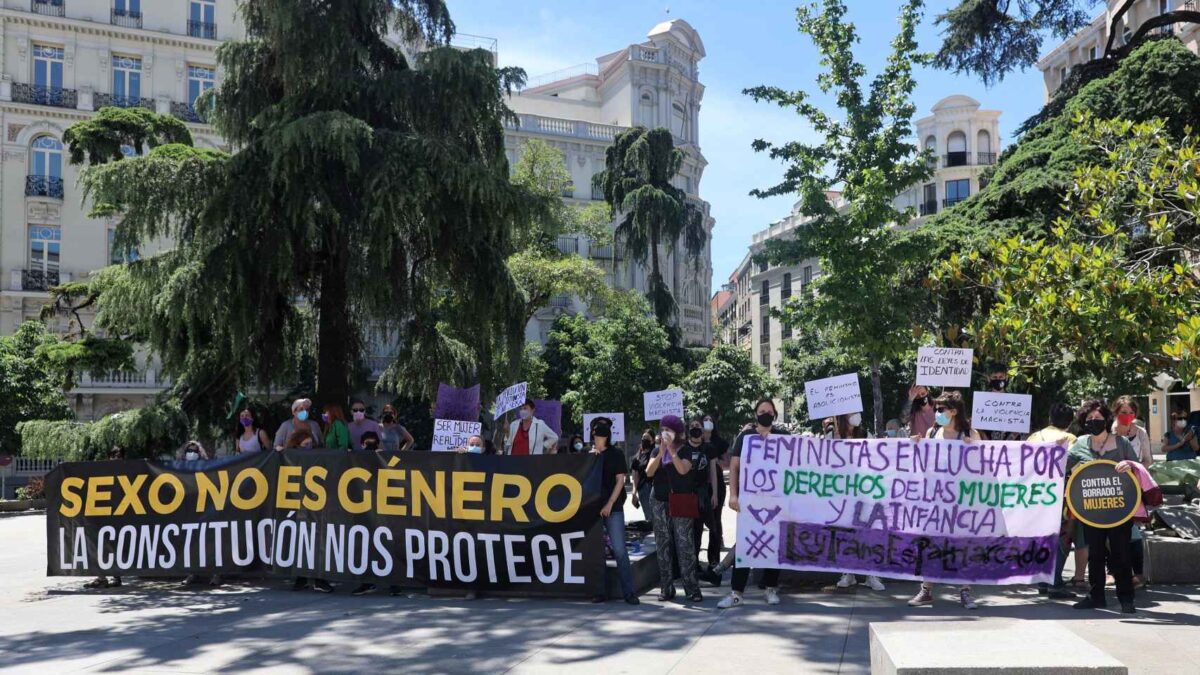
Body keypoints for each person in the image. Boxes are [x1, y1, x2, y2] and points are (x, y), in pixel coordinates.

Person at [907, 391, 983, 610]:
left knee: (962, 547)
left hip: (962, 501)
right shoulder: (932, 433)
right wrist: (915, 445)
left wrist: (974, 450)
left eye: (941, 410)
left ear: (954, 412)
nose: (937, 413)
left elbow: (985, 466)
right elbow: (922, 463)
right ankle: (926, 590)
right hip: (936, 500)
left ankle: (965, 591)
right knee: (931, 544)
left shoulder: (970, 433)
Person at [1067, 399, 1142, 613]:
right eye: (1089, 419)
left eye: (1098, 419)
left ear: (1107, 420)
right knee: (1096, 554)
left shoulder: (1121, 443)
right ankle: (1096, 596)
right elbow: (1062, 464)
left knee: (1121, 553)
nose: (1093, 422)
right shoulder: (1081, 443)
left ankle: (1126, 598)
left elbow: (1138, 469)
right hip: (1091, 511)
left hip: (1119, 510)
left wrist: (1129, 465)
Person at [717, 398, 788, 609]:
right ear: (755, 414)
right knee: (745, 545)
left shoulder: (783, 437)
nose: (765, 413)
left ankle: (771, 588)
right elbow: (735, 466)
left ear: (774, 414)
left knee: (773, 544)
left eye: (769, 411)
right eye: (761, 410)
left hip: (776, 500)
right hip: (749, 501)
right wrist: (733, 495)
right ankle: (736, 592)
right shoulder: (745, 437)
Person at [645, 414, 703, 603]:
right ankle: (666, 587)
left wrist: (672, 450)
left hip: (680, 500)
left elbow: (683, 470)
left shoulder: (685, 450)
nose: (665, 433)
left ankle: (692, 588)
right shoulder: (656, 451)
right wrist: (662, 452)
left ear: (677, 432)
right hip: (659, 500)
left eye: (668, 430)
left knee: (685, 545)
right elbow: (648, 472)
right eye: (662, 429)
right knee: (663, 545)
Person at [1027, 402, 1080, 600]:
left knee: (1043, 538)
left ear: (1050, 418)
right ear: (1070, 422)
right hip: (1062, 498)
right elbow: (1073, 466)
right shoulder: (1071, 439)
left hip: (1037, 496)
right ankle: (1055, 582)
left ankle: (1042, 581)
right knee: (1063, 538)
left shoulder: (1035, 437)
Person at [832, 412, 887, 592]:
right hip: (842, 492)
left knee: (867, 533)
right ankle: (848, 573)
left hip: (865, 491)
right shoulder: (831, 435)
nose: (856, 415)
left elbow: (876, 459)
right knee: (847, 534)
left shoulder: (865, 435)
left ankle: (871, 574)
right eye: (852, 412)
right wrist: (836, 440)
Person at [588, 416, 640, 605]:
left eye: (600, 433)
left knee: (619, 550)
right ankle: (600, 591)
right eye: (595, 432)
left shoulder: (616, 454)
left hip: (613, 508)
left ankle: (629, 592)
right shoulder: (591, 455)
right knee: (597, 551)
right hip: (594, 509)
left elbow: (620, 480)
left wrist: (610, 504)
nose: (597, 436)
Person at [84, 446, 127, 590]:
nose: (116, 458)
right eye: (113, 455)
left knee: (116, 547)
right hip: (104, 516)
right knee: (102, 545)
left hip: (122, 517)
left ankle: (115, 576)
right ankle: (102, 577)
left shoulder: (130, 472)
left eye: (119, 455)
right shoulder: (101, 471)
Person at [684, 418, 716, 563]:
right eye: (692, 426)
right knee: (694, 532)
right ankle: (694, 564)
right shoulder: (683, 449)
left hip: (704, 493)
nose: (695, 428)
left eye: (698, 426)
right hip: (689, 494)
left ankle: (713, 562)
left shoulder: (708, 448)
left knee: (713, 530)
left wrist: (714, 493)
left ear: (702, 431)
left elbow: (713, 472)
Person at [700, 413, 728, 572]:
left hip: (717, 486)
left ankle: (714, 560)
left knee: (715, 523)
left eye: (711, 420)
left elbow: (728, 463)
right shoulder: (696, 440)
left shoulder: (720, 442)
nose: (708, 422)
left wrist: (715, 461)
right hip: (700, 486)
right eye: (705, 420)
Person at [1111, 396, 1153, 467]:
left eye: (1131, 413)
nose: (1127, 415)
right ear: (1116, 413)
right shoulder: (1107, 432)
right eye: (1124, 412)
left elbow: (1148, 461)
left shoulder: (1141, 433)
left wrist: (1133, 468)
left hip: (1135, 476)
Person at [629, 429, 656, 527]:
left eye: (647, 438)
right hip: (643, 490)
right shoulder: (638, 456)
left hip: (655, 488)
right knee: (649, 517)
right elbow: (635, 475)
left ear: (652, 440)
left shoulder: (655, 452)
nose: (644, 440)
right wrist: (634, 492)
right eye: (643, 438)